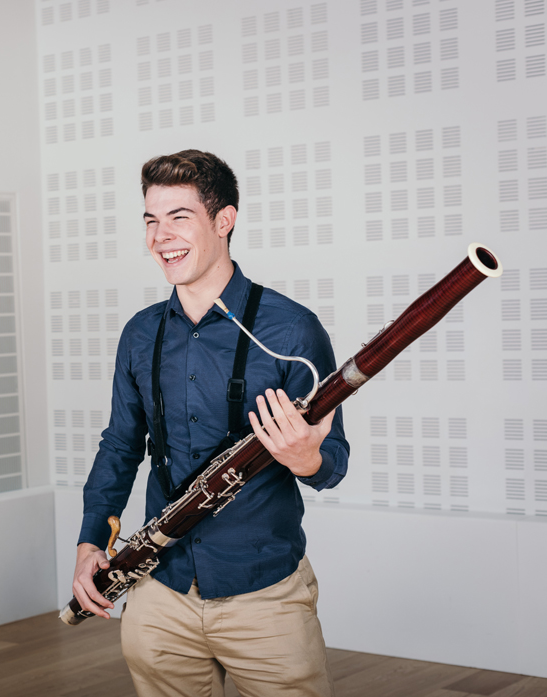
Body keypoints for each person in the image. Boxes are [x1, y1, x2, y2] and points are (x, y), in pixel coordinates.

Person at [71, 150, 349, 697]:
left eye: (179, 217)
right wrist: (89, 542)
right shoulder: (140, 334)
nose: (160, 236)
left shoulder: (292, 331)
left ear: (224, 221)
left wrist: (305, 458)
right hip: (159, 591)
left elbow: (332, 463)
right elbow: (120, 445)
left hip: (264, 597)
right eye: (151, 219)